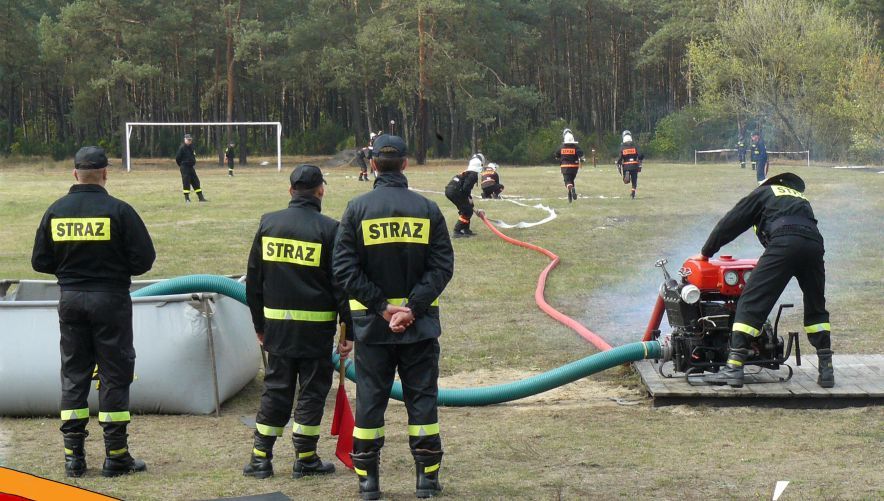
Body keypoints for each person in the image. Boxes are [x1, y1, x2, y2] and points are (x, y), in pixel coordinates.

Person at [333, 134, 454, 500]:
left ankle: (369, 484)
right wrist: (411, 309)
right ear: (405, 164)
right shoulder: (428, 210)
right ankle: (427, 482)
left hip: (373, 330)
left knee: (370, 404)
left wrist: (383, 309)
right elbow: (442, 266)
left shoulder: (356, 209)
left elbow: (343, 269)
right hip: (418, 329)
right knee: (423, 403)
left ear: (372, 165)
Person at [31, 146, 156, 478]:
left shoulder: (55, 211)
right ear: (105, 173)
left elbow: (40, 261)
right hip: (111, 300)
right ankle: (116, 457)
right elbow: (144, 260)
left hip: (70, 300)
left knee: (74, 375)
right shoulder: (119, 211)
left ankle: (74, 458)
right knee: (114, 375)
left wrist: (70, 270)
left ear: (74, 174)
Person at [243, 164, 353, 480]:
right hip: (316, 331)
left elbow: (254, 282)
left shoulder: (269, 224)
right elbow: (341, 285)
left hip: (277, 328)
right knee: (312, 391)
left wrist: (259, 326)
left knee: (276, 388)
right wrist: (349, 330)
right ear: (321, 190)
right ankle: (305, 458)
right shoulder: (330, 230)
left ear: (291, 191)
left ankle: (261, 458)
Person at [693, 172, 832, 388]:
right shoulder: (800, 199)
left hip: (785, 243)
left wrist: (706, 252)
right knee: (816, 307)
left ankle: (733, 368)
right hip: (815, 247)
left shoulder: (764, 193)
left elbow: (731, 222)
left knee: (750, 301)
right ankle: (826, 369)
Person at [444, 153, 483, 238]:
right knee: (467, 210)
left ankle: (466, 230)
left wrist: (469, 199)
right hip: (455, 191)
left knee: (467, 207)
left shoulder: (468, 172)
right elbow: (465, 188)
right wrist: (468, 198)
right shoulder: (473, 175)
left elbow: (465, 188)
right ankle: (457, 231)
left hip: (451, 190)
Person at [175, 133, 207, 203]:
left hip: (191, 167)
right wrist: (182, 165)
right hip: (184, 167)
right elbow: (177, 158)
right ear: (185, 140)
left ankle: (201, 198)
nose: (189, 141)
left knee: (196, 181)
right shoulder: (182, 148)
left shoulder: (191, 147)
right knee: (186, 182)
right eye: (188, 140)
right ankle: (187, 199)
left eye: (190, 140)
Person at [554, 128, 584, 203]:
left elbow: (556, 155)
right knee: (571, 180)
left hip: (565, 167)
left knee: (567, 181)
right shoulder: (576, 147)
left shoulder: (561, 147)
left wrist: (559, 158)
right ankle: (570, 193)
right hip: (574, 168)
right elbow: (582, 155)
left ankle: (571, 189)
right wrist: (582, 159)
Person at [616, 130, 644, 199]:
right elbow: (641, 155)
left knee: (626, 181)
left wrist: (618, 163)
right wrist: (640, 159)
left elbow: (620, 158)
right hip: (634, 165)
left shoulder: (622, 147)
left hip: (626, 165)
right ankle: (633, 193)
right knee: (634, 181)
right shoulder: (635, 146)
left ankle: (627, 176)